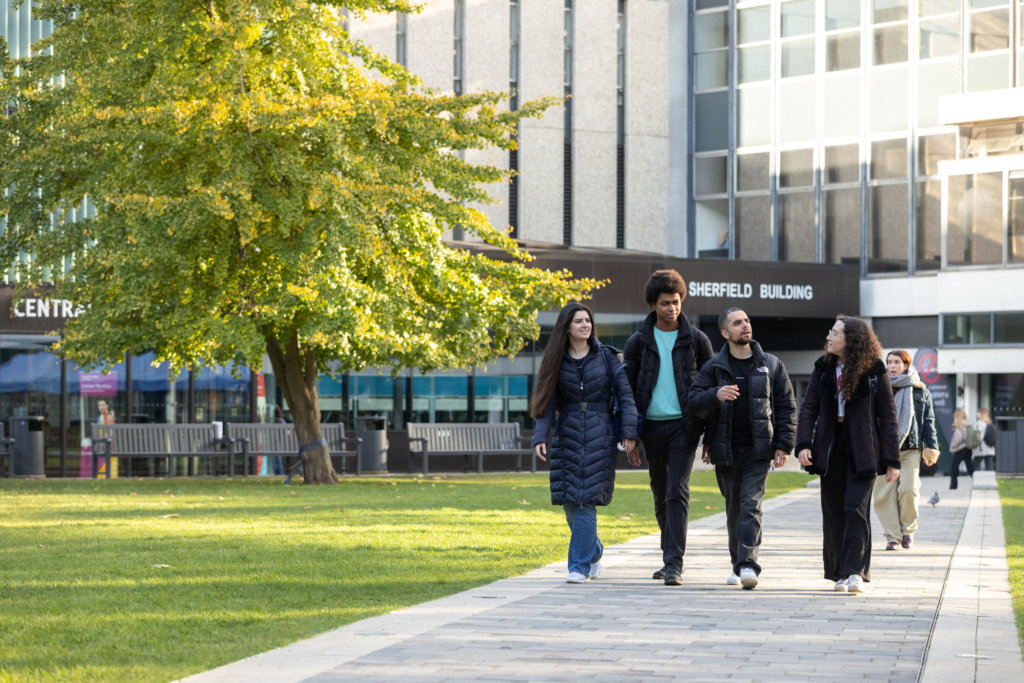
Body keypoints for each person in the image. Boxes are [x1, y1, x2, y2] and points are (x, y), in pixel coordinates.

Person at [688, 308, 796, 589]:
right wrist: (716, 394)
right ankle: (738, 564)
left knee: (751, 506)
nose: (745, 326)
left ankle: (748, 564)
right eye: (738, 323)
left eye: (747, 320)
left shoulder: (771, 364)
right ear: (725, 333)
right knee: (734, 509)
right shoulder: (713, 367)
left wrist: (784, 445)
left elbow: (786, 407)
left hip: (759, 450)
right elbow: (694, 401)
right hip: (725, 451)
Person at [531, 302, 639, 584]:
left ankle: (578, 567)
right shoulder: (556, 359)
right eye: (579, 321)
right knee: (570, 502)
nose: (585, 325)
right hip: (567, 433)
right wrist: (540, 436)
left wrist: (628, 433)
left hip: (599, 433)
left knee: (585, 499)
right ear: (567, 326)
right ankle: (594, 550)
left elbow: (626, 396)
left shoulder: (607, 357)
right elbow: (546, 403)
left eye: (588, 321)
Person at [796, 316, 900, 594]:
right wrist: (803, 444)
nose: (828, 337)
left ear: (851, 338)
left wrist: (892, 459)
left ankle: (855, 572)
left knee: (855, 509)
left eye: (834, 332)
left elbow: (887, 417)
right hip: (830, 448)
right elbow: (808, 409)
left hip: (863, 448)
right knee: (833, 512)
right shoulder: (822, 369)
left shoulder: (875, 371)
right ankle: (838, 573)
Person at [623, 270, 713, 586]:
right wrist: (630, 434)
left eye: (675, 302)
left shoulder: (697, 340)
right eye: (665, 303)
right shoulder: (637, 342)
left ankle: (674, 563)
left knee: (678, 491)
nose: (672, 308)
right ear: (653, 304)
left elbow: (711, 389)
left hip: (683, 428)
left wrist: (709, 437)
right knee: (660, 494)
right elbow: (628, 391)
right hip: (651, 429)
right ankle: (668, 556)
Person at [872, 350, 939, 551]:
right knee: (883, 493)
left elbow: (928, 422)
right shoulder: (877, 388)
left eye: (897, 362)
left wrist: (932, 446)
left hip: (910, 448)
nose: (892, 366)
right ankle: (892, 537)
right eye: (889, 362)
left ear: (906, 365)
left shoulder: (920, 391)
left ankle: (908, 530)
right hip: (882, 448)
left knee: (909, 489)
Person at [948, 408, 973, 489]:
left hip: (960, 449)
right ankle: (977, 481)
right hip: (968, 448)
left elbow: (958, 438)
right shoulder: (968, 423)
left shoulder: (959, 424)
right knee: (970, 467)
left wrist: (953, 445)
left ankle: (953, 486)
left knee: (954, 468)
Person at [973, 407, 996, 471]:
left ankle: (976, 479)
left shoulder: (978, 424)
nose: (977, 414)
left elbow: (978, 437)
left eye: (978, 412)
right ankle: (990, 480)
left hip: (980, 448)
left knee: (975, 466)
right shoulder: (990, 423)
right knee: (989, 466)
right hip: (989, 449)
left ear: (981, 414)